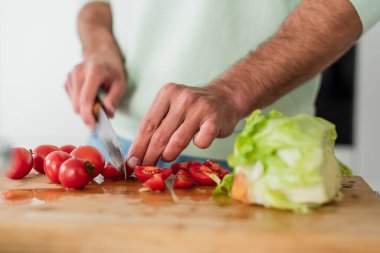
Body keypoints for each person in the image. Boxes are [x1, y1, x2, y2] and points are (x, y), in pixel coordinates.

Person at [65, 0, 380, 170]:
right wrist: (99, 47)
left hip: (261, 161)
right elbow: (96, 4)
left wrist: (233, 91)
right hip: (111, 147)